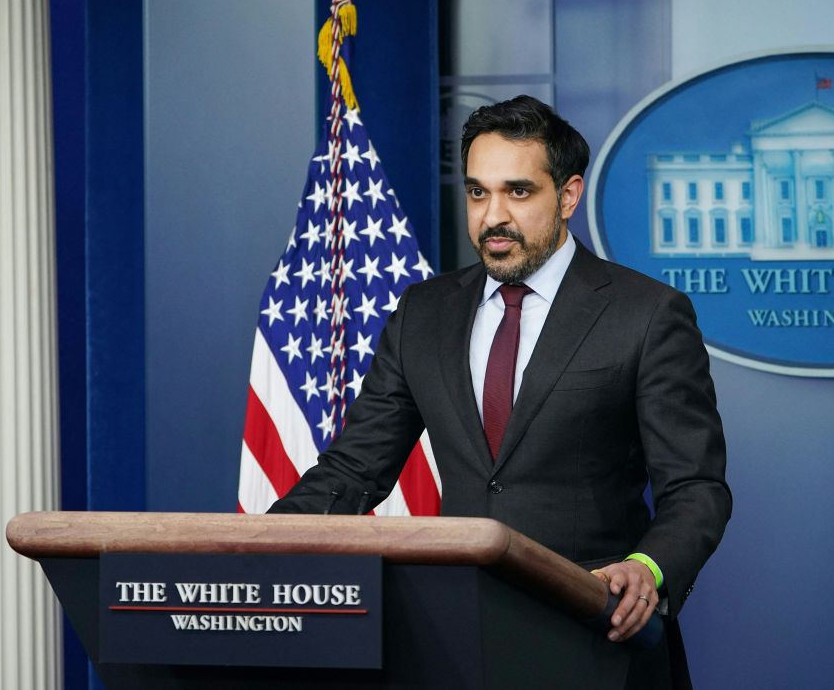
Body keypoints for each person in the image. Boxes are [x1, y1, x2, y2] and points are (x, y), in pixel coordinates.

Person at [269, 95, 731, 685]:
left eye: (518, 191)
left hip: (593, 634)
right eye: (478, 192)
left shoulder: (646, 313)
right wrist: (256, 547)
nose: (492, 217)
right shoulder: (423, 313)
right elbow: (354, 470)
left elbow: (696, 487)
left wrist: (648, 567)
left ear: (567, 195)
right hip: (450, 640)